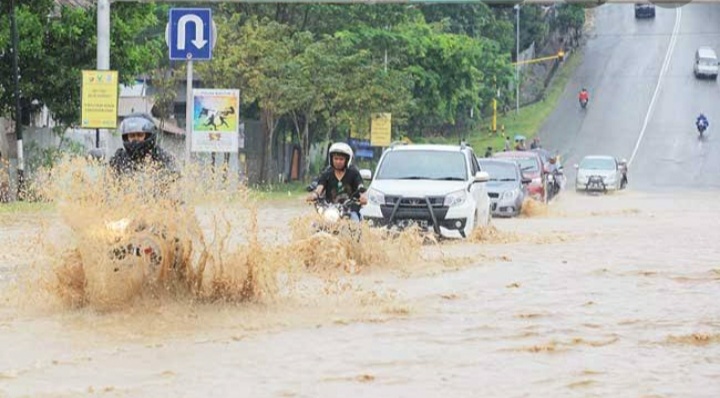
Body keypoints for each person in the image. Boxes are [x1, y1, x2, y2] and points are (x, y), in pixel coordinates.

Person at [306, 142, 368, 221]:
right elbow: (320, 187)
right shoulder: (327, 174)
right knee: (314, 224)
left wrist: (363, 196)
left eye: (341, 159)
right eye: (336, 158)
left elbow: (361, 186)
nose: (338, 161)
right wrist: (314, 195)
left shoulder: (353, 173)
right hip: (329, 210)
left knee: (354, 223)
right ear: (331, 159)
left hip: (350, 210)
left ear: (347, 160)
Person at [109, 113, 177, 176]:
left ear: (148, 135)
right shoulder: (119, 160)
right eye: (132, 136)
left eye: (140, 135)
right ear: (126, 137)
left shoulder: (162, 158)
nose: (136, 139)